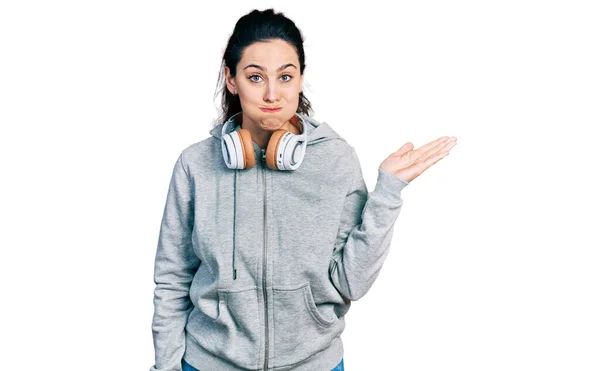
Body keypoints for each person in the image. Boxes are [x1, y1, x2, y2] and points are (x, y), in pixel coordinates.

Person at [149, 8, 457, 371]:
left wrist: (388, 193)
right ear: (231, 79)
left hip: (315, 363)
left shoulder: (336, 160)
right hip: (208, 362)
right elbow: (172, 279)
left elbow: (351, 283)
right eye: (255, 77)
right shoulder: (195, 165)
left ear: (300, 79)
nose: (271, 93)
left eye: (285, 76)